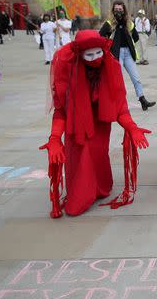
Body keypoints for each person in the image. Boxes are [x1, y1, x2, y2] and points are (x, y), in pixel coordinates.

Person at [41, 30, 150, 217]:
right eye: (89, 55)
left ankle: (100, 187)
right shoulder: (68, 70)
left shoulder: (111, 67)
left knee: (98, 155)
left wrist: (132, 128)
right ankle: (82, 195)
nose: (95, 58)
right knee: (81, 158)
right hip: (77, 125)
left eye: (98, 53)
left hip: (100, 124)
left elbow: (120, 107)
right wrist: (54, 138)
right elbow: (60, 110)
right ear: (79, 55)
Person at [99, 0, 156, 111]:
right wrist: (108, 41)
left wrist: (131, 34)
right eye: (116, 9)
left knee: (136, 78)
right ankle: (115, 103)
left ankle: (142, 100)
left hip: (128, 54)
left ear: (124, 10)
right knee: (117, 80)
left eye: (120, 9)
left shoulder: (128, 22)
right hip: (116, 53)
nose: (118, 11)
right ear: (113, 10)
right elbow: (100, 36)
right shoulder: (109, 23)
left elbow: (135, 37)